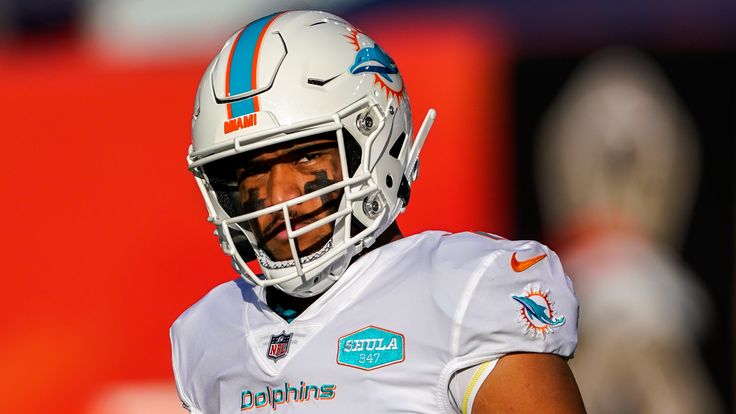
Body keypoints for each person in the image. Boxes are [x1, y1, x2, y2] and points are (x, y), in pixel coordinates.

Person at [171, 10, 584, 413]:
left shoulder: (465, 291)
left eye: (307, 156)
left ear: (375, 141)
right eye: (254, 170)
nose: (279, 194)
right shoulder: (207, 333)